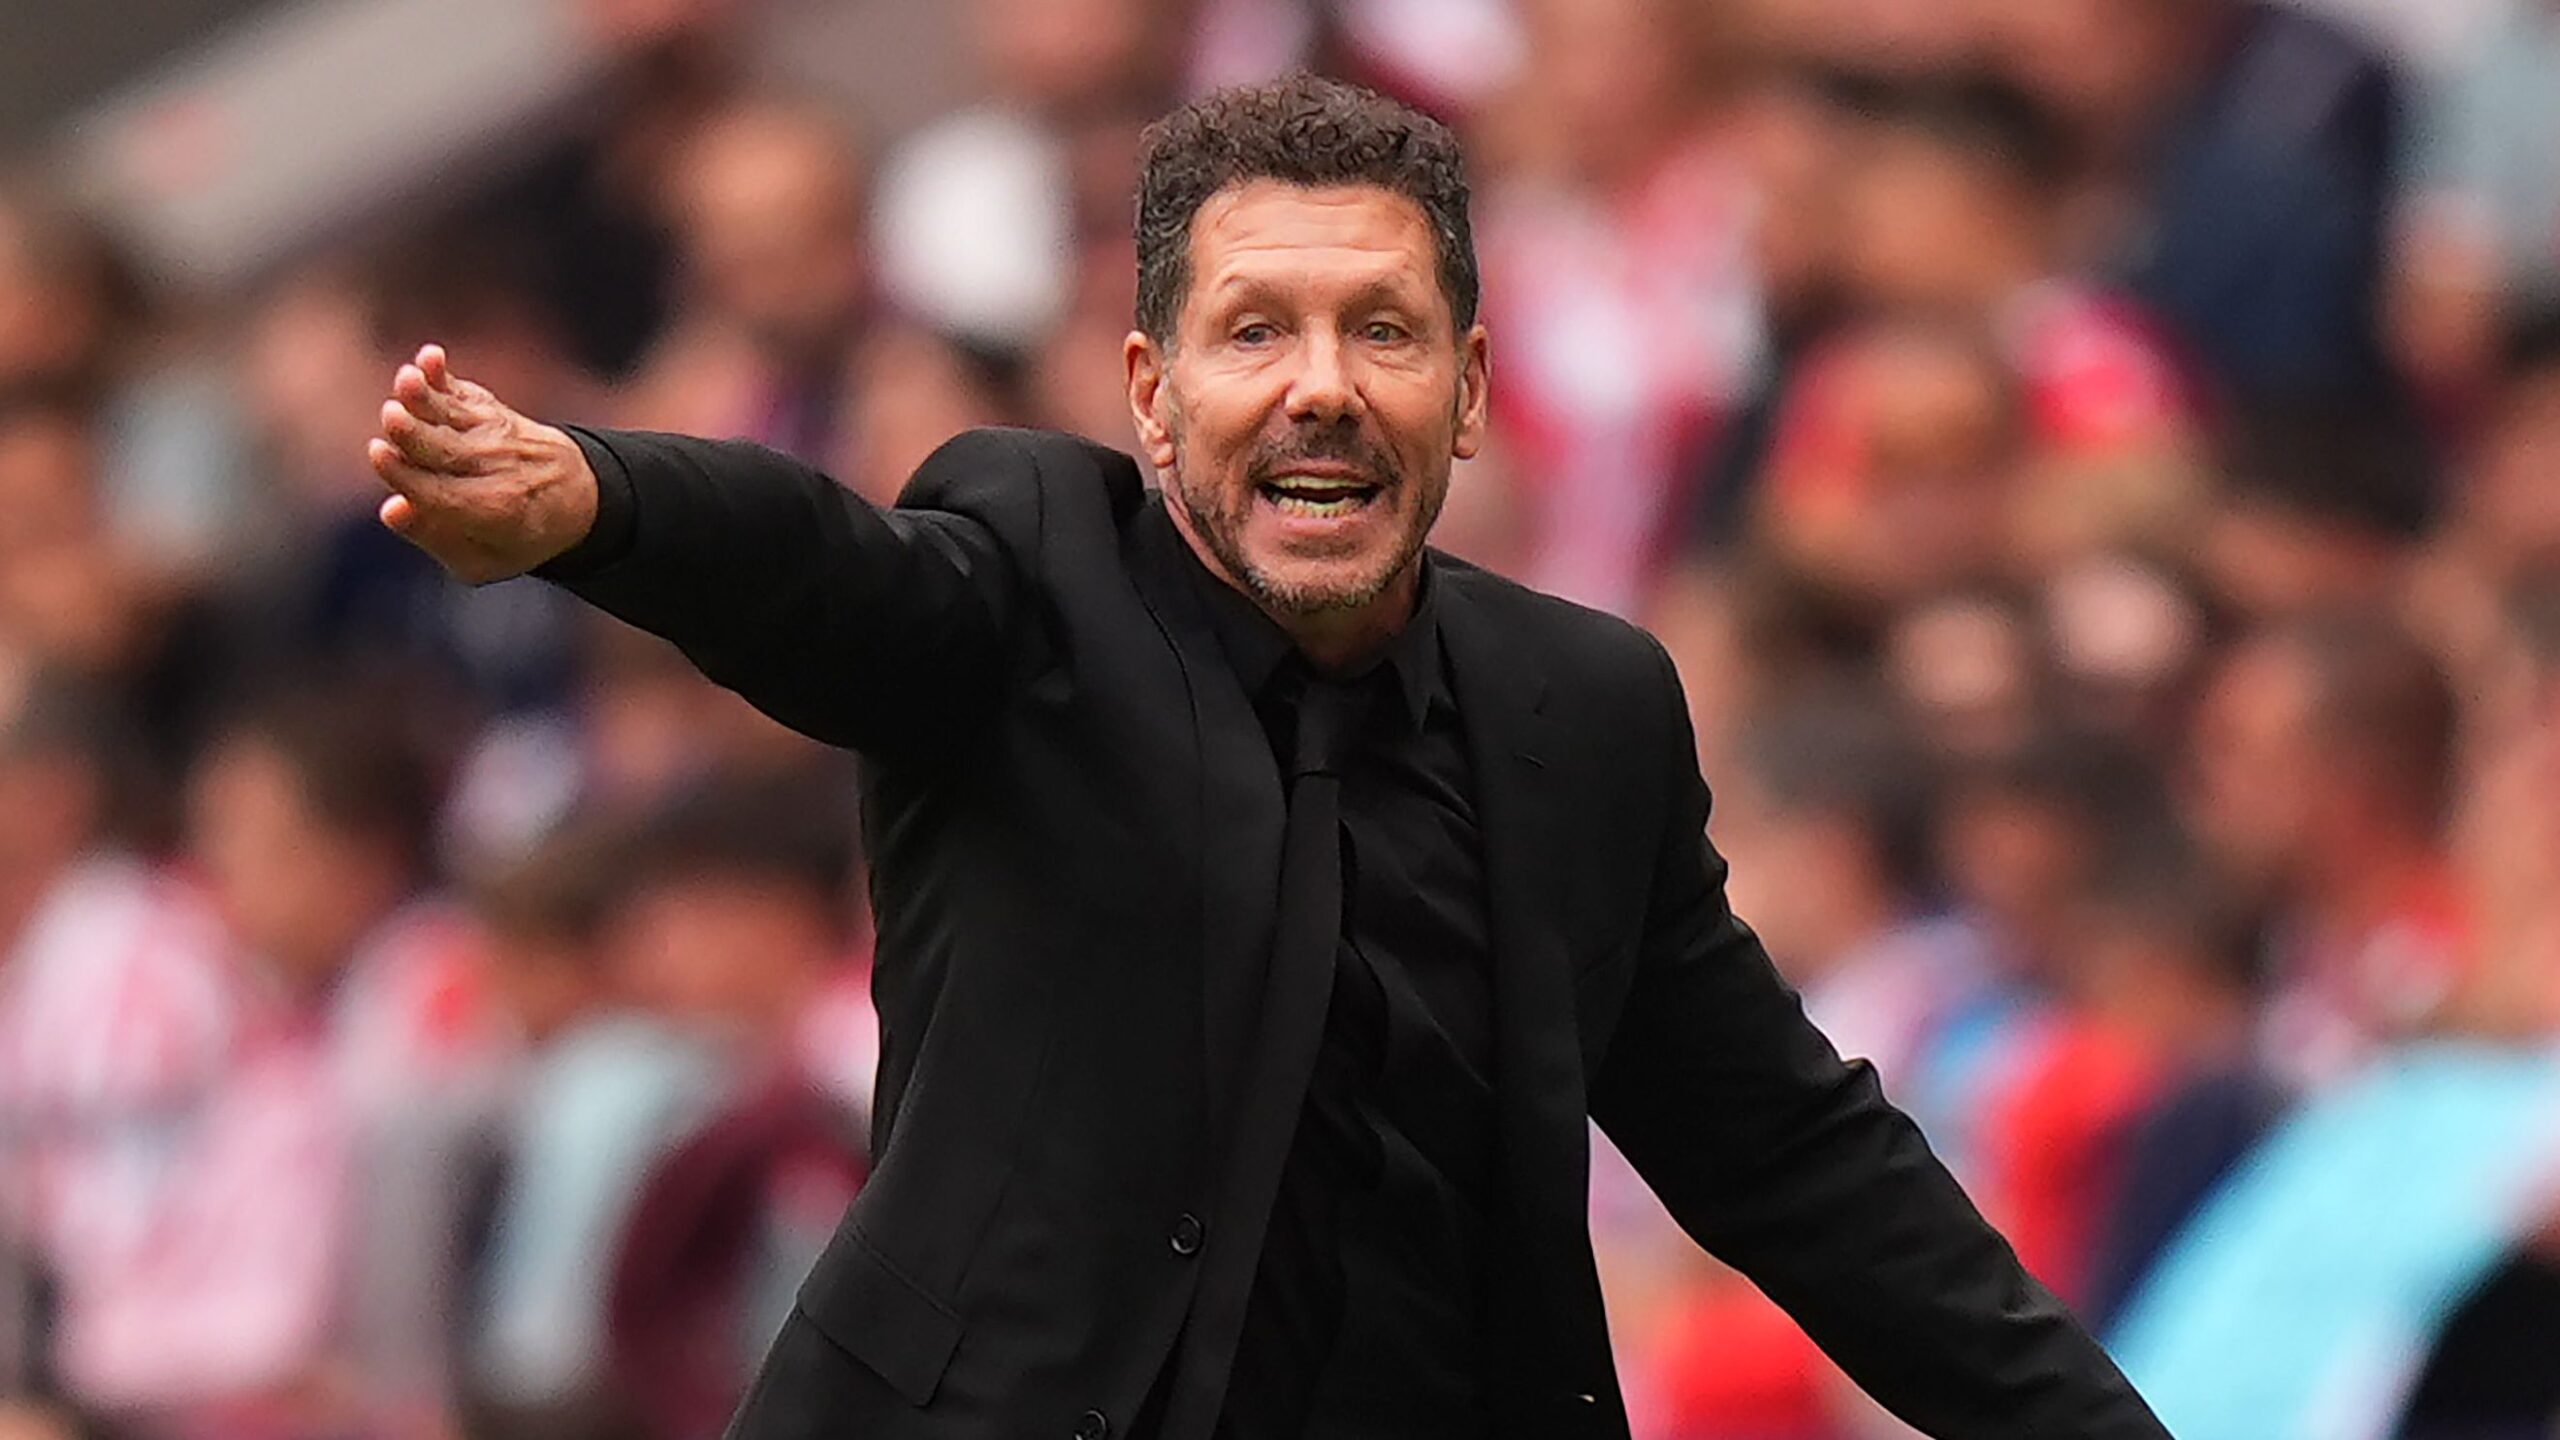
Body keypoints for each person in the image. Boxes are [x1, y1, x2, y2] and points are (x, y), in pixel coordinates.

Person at [365, 74, 2164, 1440]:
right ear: (1154, 397)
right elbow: (830, 575)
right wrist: (602, 503)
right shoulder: (1032, 581)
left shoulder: (1585, 709)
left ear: (1471, 390)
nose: (1322, 385)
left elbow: (1795, 1158)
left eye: (1382, 330)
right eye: (1255, 332)